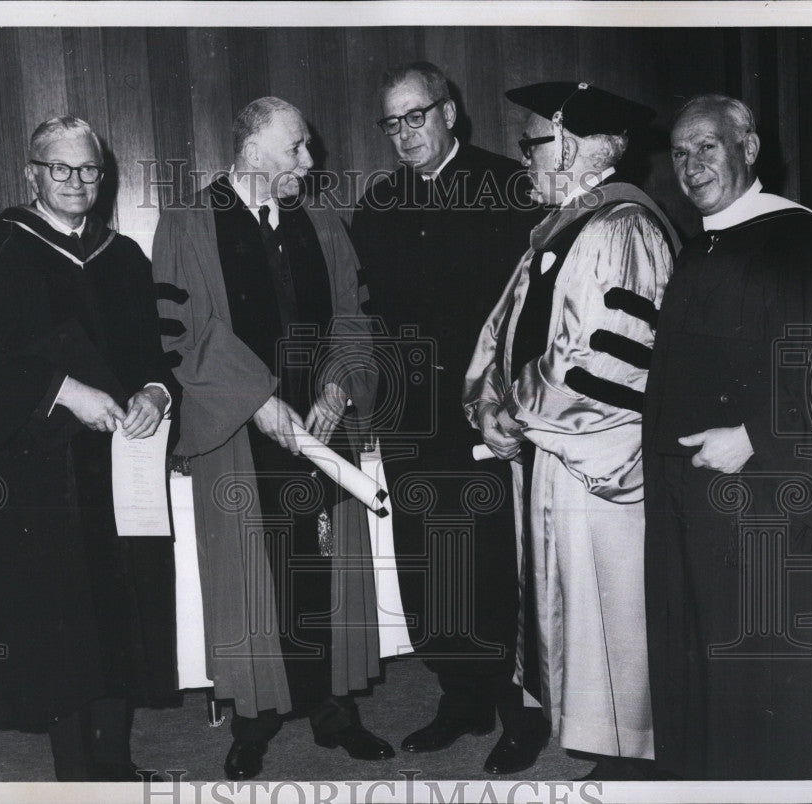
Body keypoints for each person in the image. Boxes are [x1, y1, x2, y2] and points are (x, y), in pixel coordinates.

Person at [152, 96, 391, 782]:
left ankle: (333, 709)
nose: (309, 163)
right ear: (252, 148)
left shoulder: (321, 219)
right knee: (255, 573)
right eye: (296, 149)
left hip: (320, 426)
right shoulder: (191, 222)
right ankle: (255, 718)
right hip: (240, 430)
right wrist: (257, 402)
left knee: (324, 566)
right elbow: (180, 329)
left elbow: (353, 311)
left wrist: (339, 386)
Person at [0, 116, 177, 781]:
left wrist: (156, 392)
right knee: (63, 622)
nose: (77, 182)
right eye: (61, 168)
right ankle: (76, 771)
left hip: (117, 466)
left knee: (120, 609)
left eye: (89, 169)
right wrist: (63, 390)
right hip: (37, 469)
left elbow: (153, 357)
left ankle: (116, 761)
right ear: (32, 172)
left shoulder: (122, 256)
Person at [464, 82, 680, 780]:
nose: (524, 157)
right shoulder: (563, 228)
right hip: (554, 448)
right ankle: (610, 748)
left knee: (610, 610)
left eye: (533, 142)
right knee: (578, 608)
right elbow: (504, 331)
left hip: (601, 458)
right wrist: (489, 402)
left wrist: (518, 414)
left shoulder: (620, 228)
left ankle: (635, 764)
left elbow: (599, 361)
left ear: (575, 144)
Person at [349, 61, 548, 775]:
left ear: (450, 113)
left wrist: (512, 403)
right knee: (430, 567)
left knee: (496, 566)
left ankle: (519, 711)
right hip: (411, 419)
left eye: (417, 115)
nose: (405, 133)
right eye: (392, 121)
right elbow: (367, 318)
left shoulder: (510, 188)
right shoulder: (376, 207)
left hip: (483, 414)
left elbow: (535, 314)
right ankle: (460, 697)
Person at [643, 93, 812, 780]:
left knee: (760, 677)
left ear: (748, 150)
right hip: (688, 508)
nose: (692, 164)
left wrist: (756, 436)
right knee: (697, 664)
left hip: (761, 504)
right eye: (680, 151)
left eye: (708, 146)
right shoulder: (700, 248)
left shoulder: (802, 240)